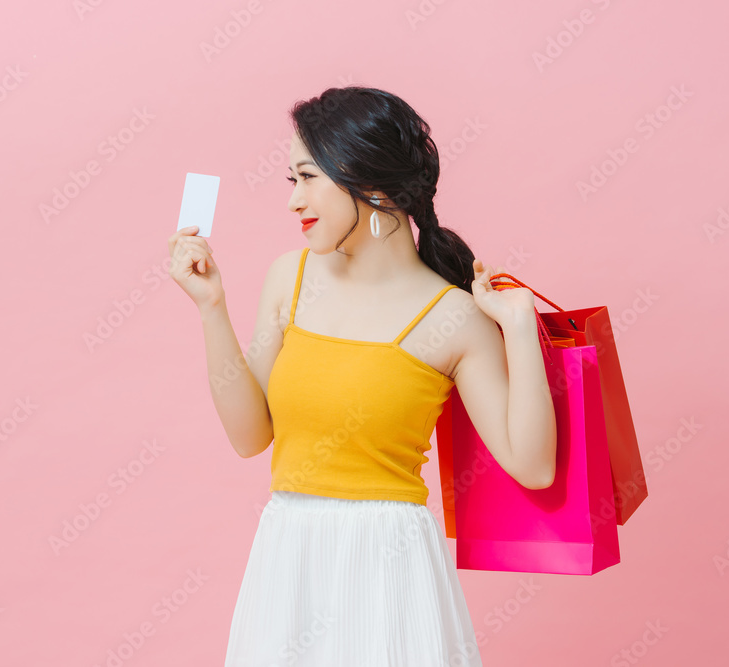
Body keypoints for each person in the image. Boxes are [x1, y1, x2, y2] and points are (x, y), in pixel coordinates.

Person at [167, 86, 557, 667]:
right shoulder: (289, 279)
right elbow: (250, 437)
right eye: (291, 180)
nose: (293, 200)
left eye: (306, 178)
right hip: (289, 563)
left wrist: (521, 329)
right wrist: (210, 306)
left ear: (368, 182)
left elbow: (534, 465)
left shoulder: (452, 317)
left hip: (390, 571)